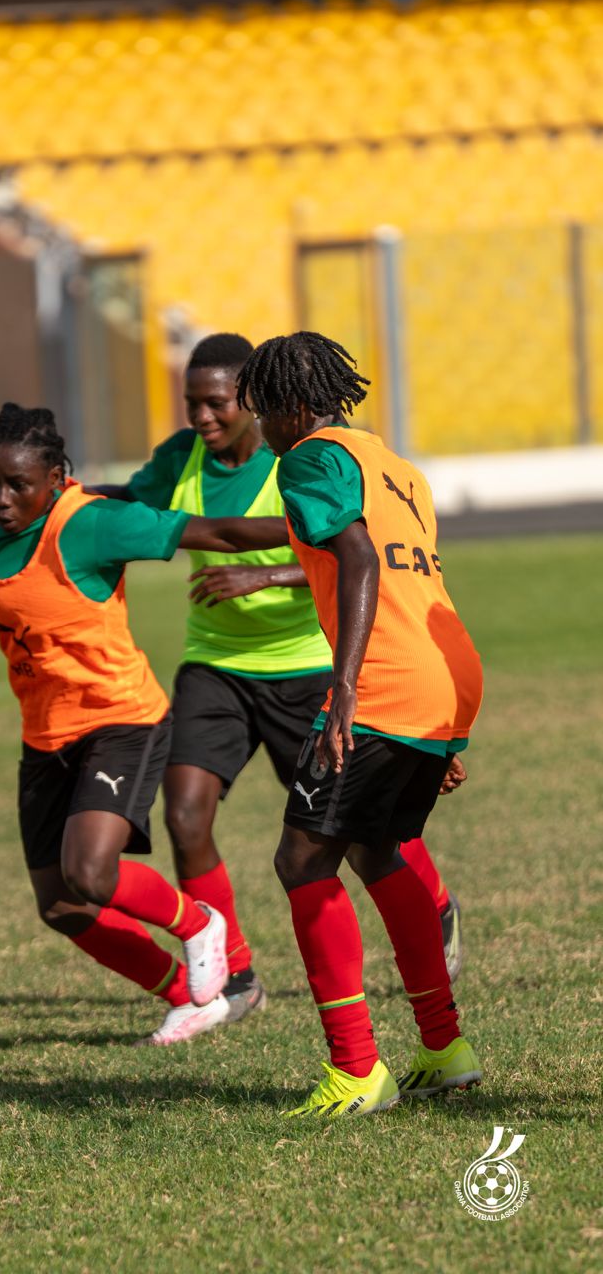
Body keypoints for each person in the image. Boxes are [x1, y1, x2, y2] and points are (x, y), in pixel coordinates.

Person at [0, 402, 288, 1046]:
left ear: (57, 477)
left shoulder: (93, 524)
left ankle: (201, 925)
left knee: (90, 871)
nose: (1, 499)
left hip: (124, 720)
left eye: (18, 484)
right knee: (62, 904)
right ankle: (188, 997)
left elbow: (220, 534)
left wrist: (309, 526)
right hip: (46, 736)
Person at [96, 333, 465, 1037]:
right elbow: (134, 509)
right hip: (221, 663)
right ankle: (234, 975)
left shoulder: (303, 458)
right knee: (189, 815)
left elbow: (354, 552)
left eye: (224, 403)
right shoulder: (195, 458)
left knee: (353, 842)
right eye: (191, 403)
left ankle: (398, 1002)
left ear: (263, 402)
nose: (204, 417)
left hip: (315, 668)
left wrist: (267, 576)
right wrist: (68, 504)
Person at [234, 331, 483, 1117]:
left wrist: (341, 691)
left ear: (297, 408)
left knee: (301, 860)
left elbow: (361, 562)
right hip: (440, 679)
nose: (261, 430)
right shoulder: (394, 465)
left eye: (265, 413)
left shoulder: (306, 458)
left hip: (379, 685)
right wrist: (445, 728)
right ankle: (443, 1049)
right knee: (379, 851)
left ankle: (354, 1070)